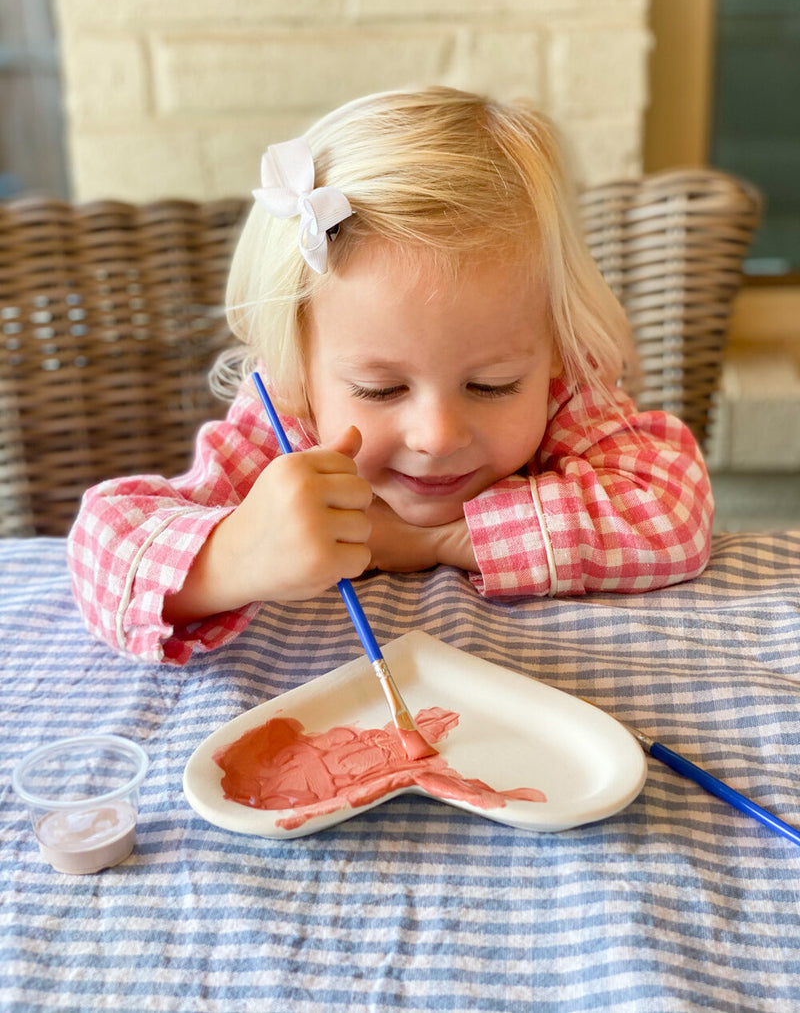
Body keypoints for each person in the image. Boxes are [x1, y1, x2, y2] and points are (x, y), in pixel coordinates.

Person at [67, 86, 713, 665]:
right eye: (381, 390)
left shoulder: (561, 389)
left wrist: (436, 540)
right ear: (299, 366)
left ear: (552, 347)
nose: (437, 435)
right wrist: (233, 556)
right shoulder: (287, 422)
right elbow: (103, 548)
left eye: (491, 385)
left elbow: (675, 510)